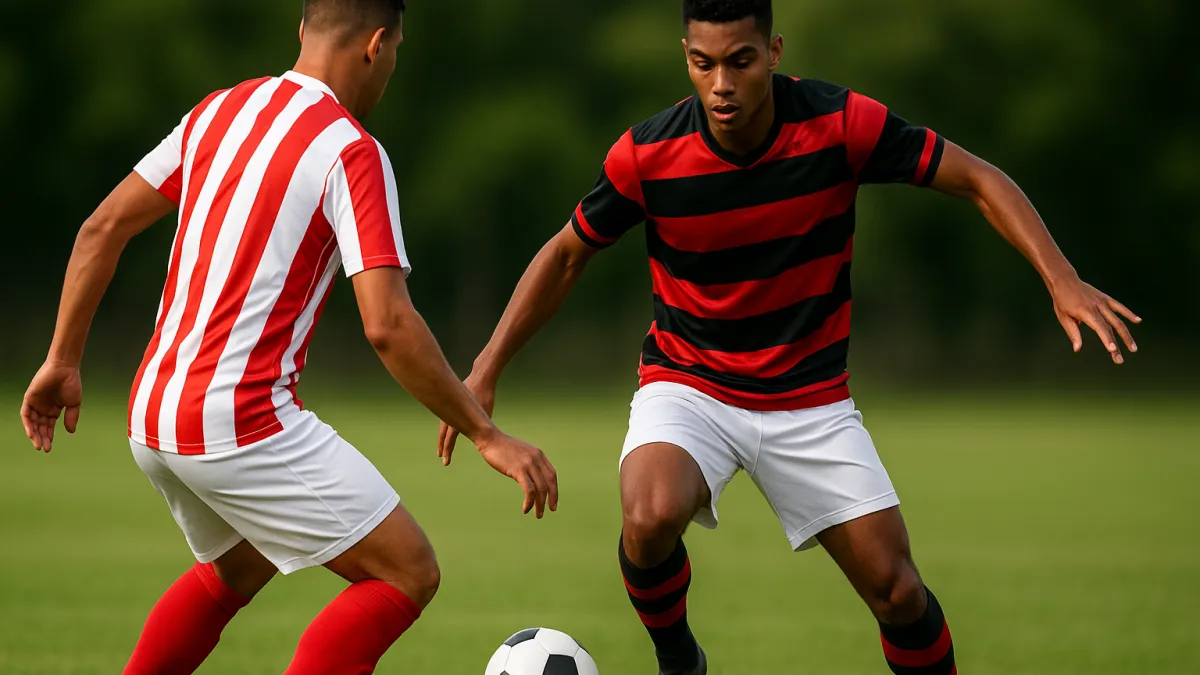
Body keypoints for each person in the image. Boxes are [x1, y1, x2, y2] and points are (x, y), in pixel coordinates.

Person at [437, 0, 1141, 673]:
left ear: (773, 52)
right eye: (704, 63)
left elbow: (978, 179)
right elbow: (566, 254)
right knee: (648, 516)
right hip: (690, 384)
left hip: (811, 398)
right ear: (686, 57)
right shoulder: (648, 154)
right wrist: (488, 366)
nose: (722, 83)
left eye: (740, 61)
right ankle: (680, 661)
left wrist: (1061, 278)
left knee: (897, 591)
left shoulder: (841, 125)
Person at [19, 1, 559, 673]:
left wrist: (62, 359)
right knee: (407, 571)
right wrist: (486, 433)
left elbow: (101, 228)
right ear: (377, 45)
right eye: (396, 50)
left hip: (151, 411)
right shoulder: (351, 150)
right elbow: (388, 325)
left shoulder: (219, 111)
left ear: (303, 30)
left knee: (240, 563)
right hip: (237, 419)